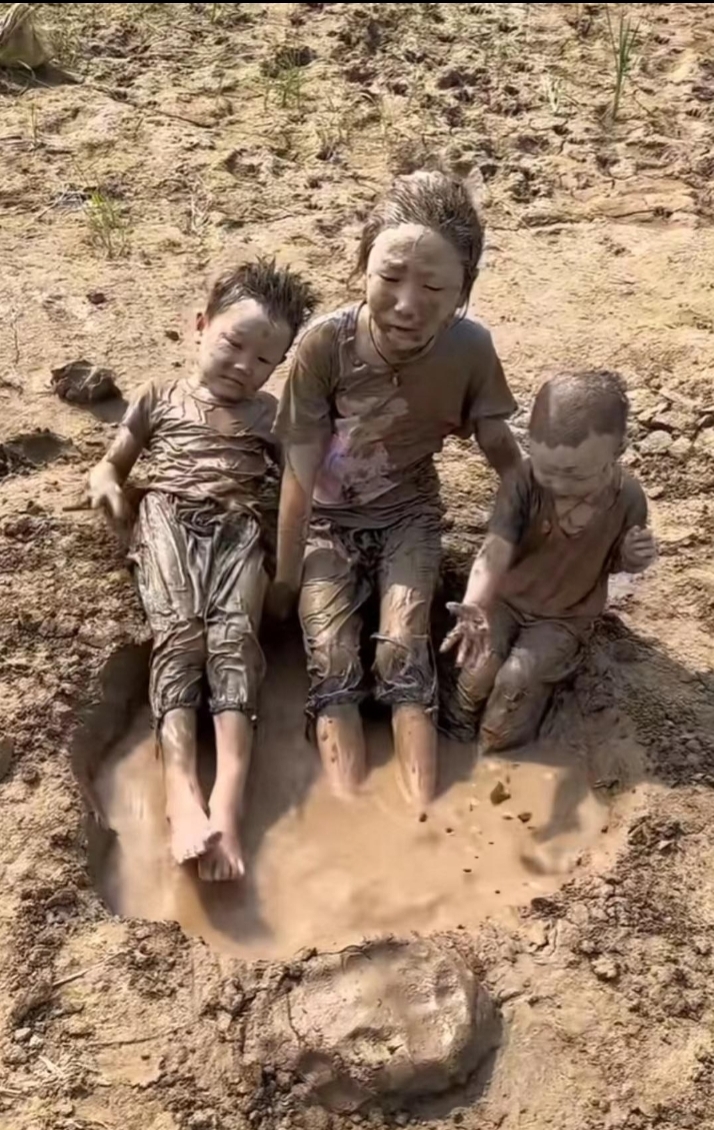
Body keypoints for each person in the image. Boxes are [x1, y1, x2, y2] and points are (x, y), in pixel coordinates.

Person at [272, 170, 520, 808]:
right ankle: (350, 810)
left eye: (433, 286)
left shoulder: (471, 350)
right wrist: (285, 572)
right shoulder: (325, 344)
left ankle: (420, 817)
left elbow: (496, 443)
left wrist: (539, 499)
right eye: (389, 278)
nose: (408, 303)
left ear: (463, 287)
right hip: (325, 519)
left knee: (404, 650)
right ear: (362, 269)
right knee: (332, 659)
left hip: (409, 512)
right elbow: (300, 468)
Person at [88, 260, 316, 881]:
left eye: (264, 359)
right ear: (199, 325)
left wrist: (289, 575)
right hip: (167, 519)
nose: (244, 365)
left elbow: (301, 491)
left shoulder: (272, 417)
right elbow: (112, 465)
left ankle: (229, 804)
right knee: (180, 636)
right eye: (232, 343)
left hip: (239, 530)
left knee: (234, 645)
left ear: (279, 366)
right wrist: (107, 487)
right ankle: (181, 792)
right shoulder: (159, 396)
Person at [442, 369, 657, 750]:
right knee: (477, 669)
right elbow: (495, 549)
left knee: (516, 680)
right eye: (547, 469)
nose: (556, 483)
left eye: (573, 474)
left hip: (565, 615)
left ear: (616, 452)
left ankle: (495, 751)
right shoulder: (524, 482)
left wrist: (632, 557)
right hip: (505, 601)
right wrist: (475, 603)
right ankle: (454, 729)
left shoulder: (629, 499)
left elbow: (616, 563)